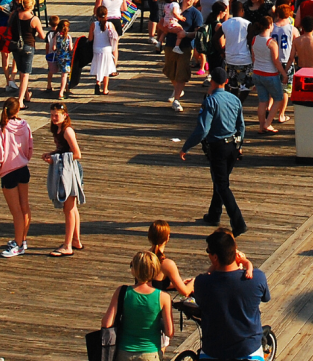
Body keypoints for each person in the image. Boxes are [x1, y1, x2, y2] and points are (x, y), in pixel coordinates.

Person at [181, 68, 248, 236]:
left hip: (218, 147)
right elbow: (241, 126)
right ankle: (214, 213)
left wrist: (186, 146)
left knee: (222, 185)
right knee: (220, 180)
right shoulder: (235, 99)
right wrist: (239, 145)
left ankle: (238, 222)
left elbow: (203, 130)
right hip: (232, 146)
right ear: (226, 81)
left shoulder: (210, 102)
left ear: (212, 82)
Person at [193, 228, 271, 361]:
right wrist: (246, 263)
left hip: (213, 351)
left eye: (208, 252)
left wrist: (213, 268)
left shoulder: (202, 283)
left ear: (215, 257)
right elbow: (266, 297)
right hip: (247, 350)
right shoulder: (257, 278)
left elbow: (200, 300)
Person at [101, 251, 174, 361]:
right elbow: (169, 332)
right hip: (150, 353)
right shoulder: (163, 297)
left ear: (134, 270)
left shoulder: (122, 292)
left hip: (124, 352)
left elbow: (106, 323)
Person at [0, 97, 33, 258]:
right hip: (23, 168)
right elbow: (29, 146)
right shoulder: (25, 125)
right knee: (25, 207)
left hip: (8, 172)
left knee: (16, 211)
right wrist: (25, 159)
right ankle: (22, 238)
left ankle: (19, 244)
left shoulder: (2, 129)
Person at [42, 102, 83, 256]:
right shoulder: (57, 129)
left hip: (70, 171)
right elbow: (62, 150)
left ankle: (67, 246)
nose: (53, 118)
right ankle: (76, 240)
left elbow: (77, 154)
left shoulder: (67, 131)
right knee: (72, 208)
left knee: (69, 209)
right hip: (63, 168)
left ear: (65, 115)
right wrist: (51, 154)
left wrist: (56, 159)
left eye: (56, 115)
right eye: (51, 115)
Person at [250, 15, 289, 134]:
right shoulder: (271, 42)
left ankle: (262, 126)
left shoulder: (254, 39)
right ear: (270, 26)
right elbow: (276, 61)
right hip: (270, 74)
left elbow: (253, 57)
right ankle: (268, 123)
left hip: (257, 73)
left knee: (262, 101)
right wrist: (284, 74)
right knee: (278, 98)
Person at [8, 0, 45, 106]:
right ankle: (20, 101)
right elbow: (42, 36)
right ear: (30, 6)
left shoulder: (13, 15)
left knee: (21, 71)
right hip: (28, 45)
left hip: (15, 45)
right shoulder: (34, 19)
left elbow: (9, 26)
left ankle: (26, 94)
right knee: (25, 74)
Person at [95, 0, 126, 69]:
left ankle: (104, 65)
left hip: (105, 21)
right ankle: (114, 66)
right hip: (117, 21)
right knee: (115, 46)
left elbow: (96, 10)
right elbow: (124, 8)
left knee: (105, 45)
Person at [88, 5, 119, 96]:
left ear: (97, 15)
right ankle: (105, 89)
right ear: (106, 14)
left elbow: (90, 38)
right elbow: (115, 37)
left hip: (96, 49)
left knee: (98, 67)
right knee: (106, 69)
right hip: (107, 50)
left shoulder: (94, 25)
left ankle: (98, 82)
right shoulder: (110, 25)